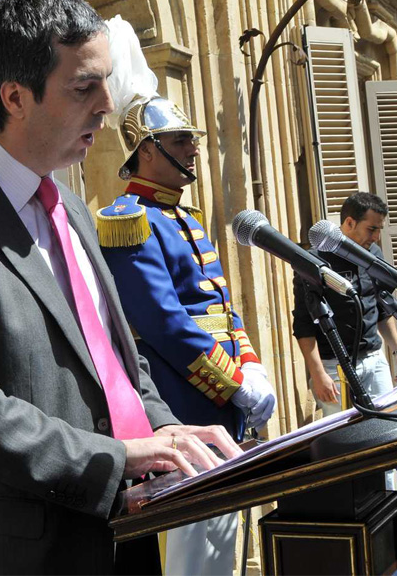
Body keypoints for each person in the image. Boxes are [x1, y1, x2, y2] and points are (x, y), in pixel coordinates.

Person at [0, 0, 242, 574]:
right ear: (15, 96)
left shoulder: (72, 208)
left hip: (128, 531)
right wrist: (117, 457)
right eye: (84, 88)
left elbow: (118, 363)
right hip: (17, 550)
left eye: (107, 85)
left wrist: (166, 427)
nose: (107, 106)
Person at [98, 96, 276, 575]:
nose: (193, 149)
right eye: (181, 140)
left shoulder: (186, 216)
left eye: (192, 139)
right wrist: (232, 383)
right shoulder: (127, 219)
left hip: (221, 404)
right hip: (183, 406)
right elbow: (164, 323)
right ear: (147, 149)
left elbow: (220, 305)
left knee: (221, 546)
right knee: (192, 556)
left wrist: (251, 362)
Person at [293, 191, 397, 419]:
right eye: (371, 229)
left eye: (379, 230)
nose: (376, 237)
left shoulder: (373, 254)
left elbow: (382, 308)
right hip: (335, 366)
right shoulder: (314, 261)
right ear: (349, 222)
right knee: (349, 437)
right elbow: (303, 324)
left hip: (375, 359)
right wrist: (318, 374)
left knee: (389, 425)